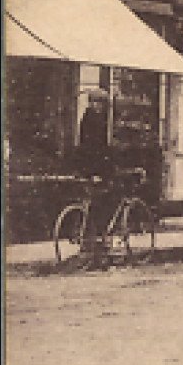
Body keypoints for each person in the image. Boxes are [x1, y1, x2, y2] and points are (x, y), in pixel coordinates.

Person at [74, 89, 118, 255]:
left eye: (101, 103)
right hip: (93, 168)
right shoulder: (92, 120)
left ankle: (94, 239)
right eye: (97, 103)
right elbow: (93, 148)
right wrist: (96, 171)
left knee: (95, 202)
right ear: (92, 103)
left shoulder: (91, 119)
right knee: (101, 202)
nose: (99, 106)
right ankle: (96, 239)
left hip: (90, 167)